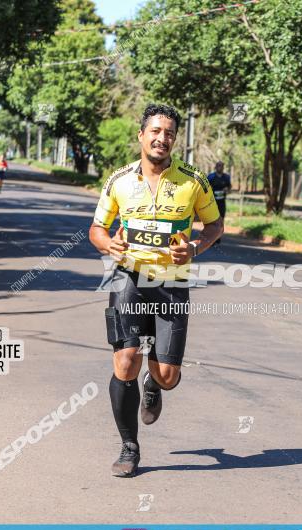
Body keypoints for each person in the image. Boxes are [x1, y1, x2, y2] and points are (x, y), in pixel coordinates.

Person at [88, 104, 224, 477]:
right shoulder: (119, 181)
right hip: (129, 279)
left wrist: (194, 247)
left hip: (172, 284)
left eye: (169, 133)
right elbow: (97, 229)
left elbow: (215, 226)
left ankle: (154, 384)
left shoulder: (193, 181)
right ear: (141, 136)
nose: (162, 138)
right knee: (125, 361)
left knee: (167, 375)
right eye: (156, 131)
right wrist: (107, 245)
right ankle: (129, 447)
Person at [207, 161, 231, 246]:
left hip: (221, 202)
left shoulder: (226, 177)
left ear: (223, 167)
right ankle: (211, 238)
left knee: (221, 219)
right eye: (218, 166)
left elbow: (229, 188)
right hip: (212, 202)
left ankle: (218, 237)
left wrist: (226, 190)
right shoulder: (211, 176)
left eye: (221, 166)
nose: (220, 167)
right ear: (215, 167)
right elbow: (205, 188)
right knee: (212, 220)